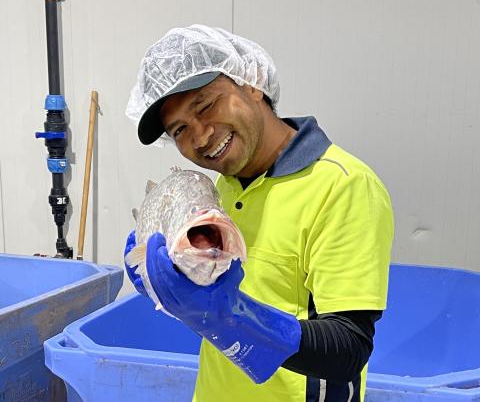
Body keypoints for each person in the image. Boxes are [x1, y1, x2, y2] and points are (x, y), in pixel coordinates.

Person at [124, 24, 394, 402]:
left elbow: (348, 349)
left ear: (251, 84)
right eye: (181, 129)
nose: (200, 137)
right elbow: (221, 316)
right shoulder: (225, 186)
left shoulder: (344, 187)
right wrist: (179, 296)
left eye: (206, 104)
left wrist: (231, 316)